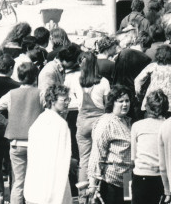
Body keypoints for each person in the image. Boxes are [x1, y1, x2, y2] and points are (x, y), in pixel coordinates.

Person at [0, 62, 43, 204]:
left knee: (18, 182)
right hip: (36, 142)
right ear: (35, 76)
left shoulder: (12, 94)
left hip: (16, 143)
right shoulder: (41, 93)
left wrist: (7, 122)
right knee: (35, 181)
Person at [24, 84, 72, 204]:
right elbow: (63, 156)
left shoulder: (40, 120)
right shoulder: (60, 124)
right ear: (52, 100)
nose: (67, 103)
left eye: (68, 99)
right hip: (54, 180)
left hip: (38, 181)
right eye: (64, 100)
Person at [87, 86, 133, 204]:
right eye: (120, 101)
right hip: (111, 181)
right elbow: (97, 153)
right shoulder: (106, 123)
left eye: (127, 101)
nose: (125, 104)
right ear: (112, 102)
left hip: (127, 180)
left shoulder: (127, 121)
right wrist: (92, 185)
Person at [74, 52, 112, 186]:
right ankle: (99, 190)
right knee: (102, 157)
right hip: (99, 122)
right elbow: (107, 104)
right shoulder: (104, 82)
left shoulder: (76, 81)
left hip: (83, 121)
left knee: (84, 159)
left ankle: (83, 195)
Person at [131, 90, 168, 204]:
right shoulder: (168, 125)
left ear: (147, 106)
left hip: (140, 176)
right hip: (161, 178)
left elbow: (133, 158)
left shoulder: (137, 126)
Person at [134, 45, 171, 113]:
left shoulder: (152, 66)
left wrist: (139, 95)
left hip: (152, 102)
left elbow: (138, 80)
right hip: (170, 106)